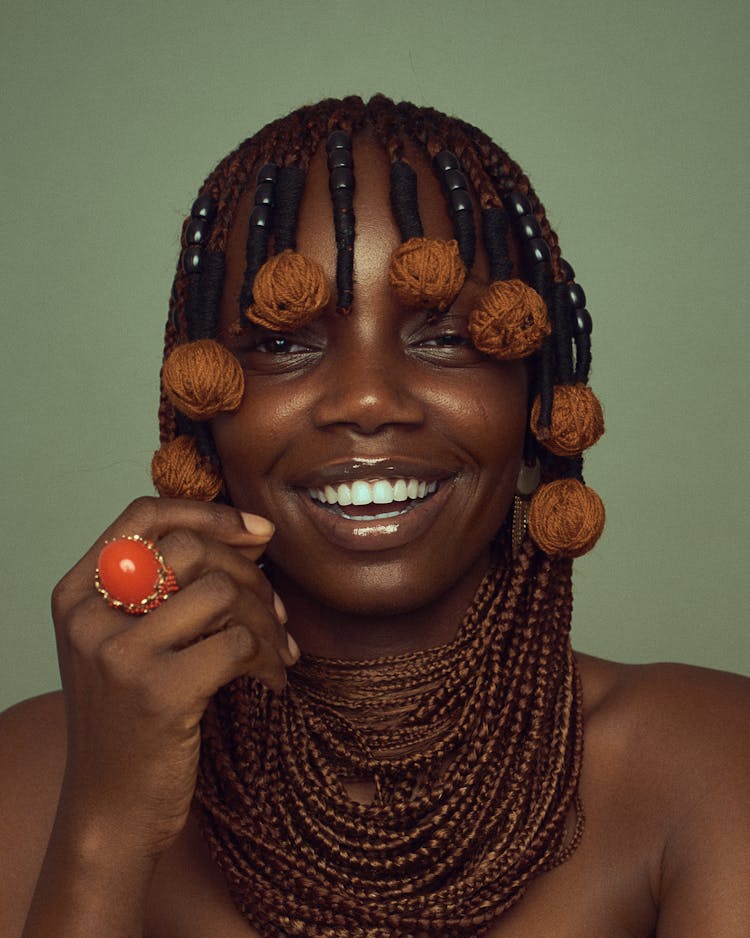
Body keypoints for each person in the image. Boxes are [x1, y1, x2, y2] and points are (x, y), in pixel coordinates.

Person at [1, 95, 748, 938]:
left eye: (446, 338)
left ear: (537, 401)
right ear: (201, 404)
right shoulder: (42, 773)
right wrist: (104, 832)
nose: (365, 400)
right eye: (283, 342)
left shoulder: (710, 759)